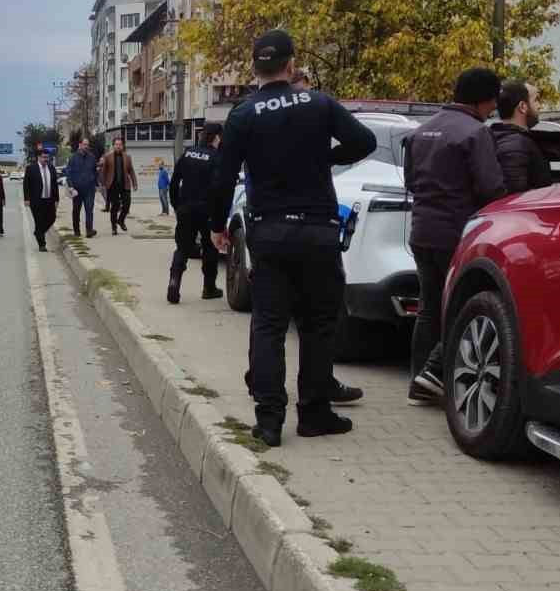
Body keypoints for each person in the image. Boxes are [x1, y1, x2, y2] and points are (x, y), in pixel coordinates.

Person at [208, 29, 377, 447]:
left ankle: (269, 422)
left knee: (268, 325)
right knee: (319, 325)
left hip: (269, 232)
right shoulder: (319, 103)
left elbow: (223, 176)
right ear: (291, 64)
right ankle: (315, 414)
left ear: (255, 68)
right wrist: (326, 157)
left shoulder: (244, 114)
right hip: (318, 230)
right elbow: (365, 141)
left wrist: (216, 227)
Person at [404, 66, 507, 406]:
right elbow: (491, 186)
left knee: (428, 308)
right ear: (484, 99)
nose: (494, 108)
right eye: (493, 100)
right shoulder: (476, 133)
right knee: (459, 306)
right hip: (456, 233)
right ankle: (435, 377)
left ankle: (418, 381)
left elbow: (409, 182)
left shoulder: (423, 130)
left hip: (421, 231)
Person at [168, 122, 223, 304]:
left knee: (182, 248)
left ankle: (174, 283)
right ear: (216, 137)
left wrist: (177, 207)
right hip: (206, 211)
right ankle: (209, 288)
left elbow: (174, 183)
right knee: (210, 249)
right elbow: (218, 187)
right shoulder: (216, 157)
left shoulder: (188, 153)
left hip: (186, 209)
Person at [491, 81, 553, 194]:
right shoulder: (516, 145)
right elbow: (514, 197)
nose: (540, 106)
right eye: (535, 100)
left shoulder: (498, 137)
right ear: (523, 107)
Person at [98, 136, 137, 234]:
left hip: (125, 185)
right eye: (116, 145)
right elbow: (104, 171)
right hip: (112, 185)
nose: (118, 146)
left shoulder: (127, 157)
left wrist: (134, 183)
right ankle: (114, 227)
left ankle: (121, 220)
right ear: (113, 146)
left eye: (120, 145)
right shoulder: (108, 156)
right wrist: (103, 183)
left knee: (127, 204)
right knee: (115, 207)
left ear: (123, 146)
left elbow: (131, 171)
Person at [24, 149, 60, 252]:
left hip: (49, 199)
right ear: (38, 157)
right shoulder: (31, 168)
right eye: (44, 157)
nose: (46, 159)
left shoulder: (51, 168)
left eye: (47, 157)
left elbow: (55, 185)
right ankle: (42, 244)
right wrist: (26, 199)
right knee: (39, 222)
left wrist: (56, 199)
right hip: (36, 200)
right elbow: (26, 184)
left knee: (52, 218)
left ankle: (38, 232)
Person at [64, 138, 98, 237]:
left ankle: (89, 231)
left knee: (89, 210)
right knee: (76, 211)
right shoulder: (73, 158)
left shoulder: (92, 157)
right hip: (77, 190)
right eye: (84, 144)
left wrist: (96, 184)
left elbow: (95, 172)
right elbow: (68, 173)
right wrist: (71, 186)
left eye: (87, 145)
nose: (86, 146)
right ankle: (76, 231)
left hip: (89, 189)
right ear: (80, 145)